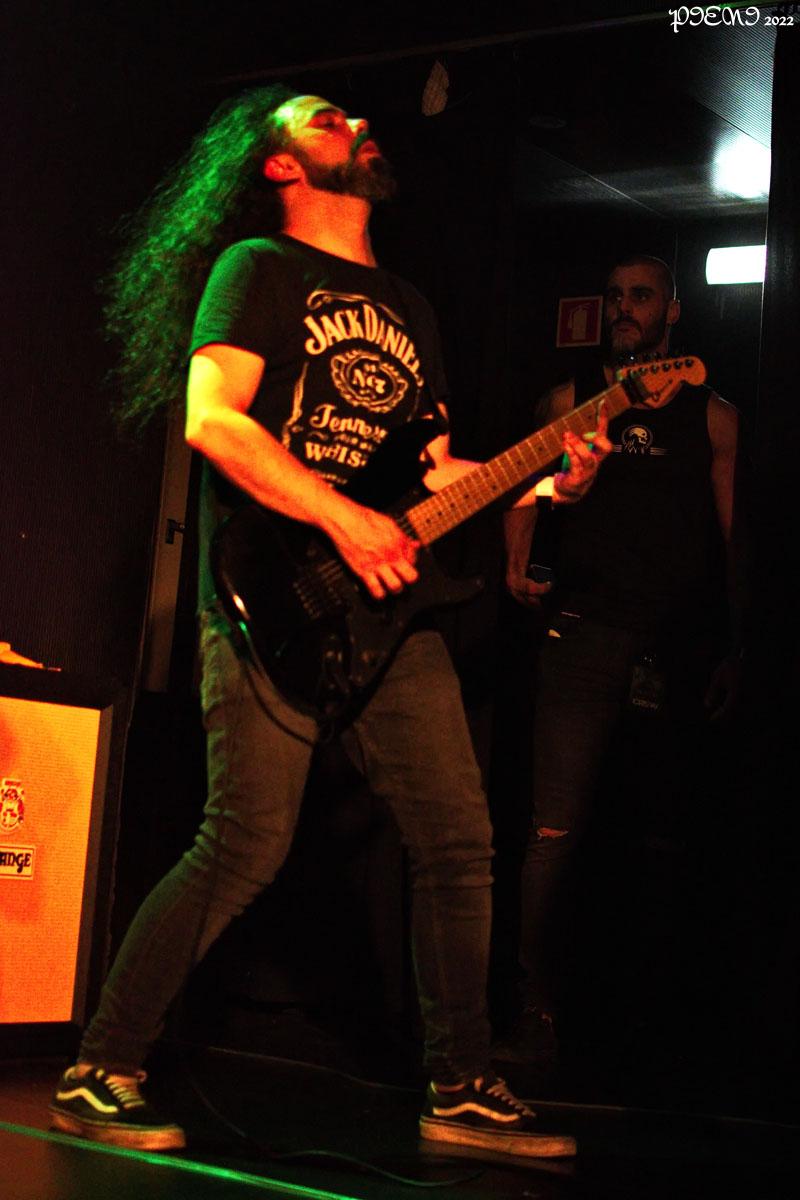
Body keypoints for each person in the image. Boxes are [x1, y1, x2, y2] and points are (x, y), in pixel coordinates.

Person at [49, 86, 610, 1158]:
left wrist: (548, 480)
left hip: (393, 609)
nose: (351, 123)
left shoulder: (410, 306)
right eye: (322, 118)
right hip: (273, 599)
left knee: (458, 840)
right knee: (244, 841)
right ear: (279, 166)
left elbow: (434, 472)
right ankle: (100, 1067)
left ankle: (462, 1087)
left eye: (351, 117)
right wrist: (343, 519)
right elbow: (214, 422)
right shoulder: (256, 269)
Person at [499, 255, 745, 1064]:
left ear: (672, 310)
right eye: (614, 298)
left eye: (641, 296)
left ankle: (650, 1027)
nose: (624, 309)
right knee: (554, 831)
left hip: (672, 646)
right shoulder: (574, 401)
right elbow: (516, 481)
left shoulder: (714, 416)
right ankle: (535, 1013)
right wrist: (517, 561)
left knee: (660, 834)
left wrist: (737, 642)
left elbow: (735, 539)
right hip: (582, 635)